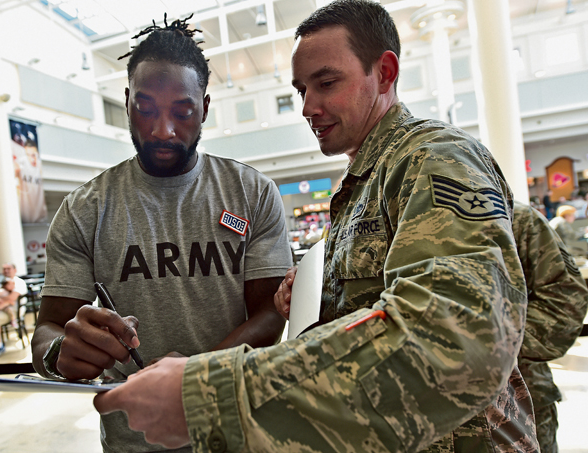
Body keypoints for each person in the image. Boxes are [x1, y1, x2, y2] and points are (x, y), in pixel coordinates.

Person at [93, 2, 536, 451]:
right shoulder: (366, 183)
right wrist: (313, 294)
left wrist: (208, 394)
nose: (308, 107)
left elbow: (457, 335)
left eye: (326, 83)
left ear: (384, 72)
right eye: (301, 89)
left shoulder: (434, 158)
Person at [31, 15, 292, 453]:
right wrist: (61, 353)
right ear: (128, 100)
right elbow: (47, 332)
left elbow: (270, 315)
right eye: (145, 109)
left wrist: (192, 376)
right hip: (134, 439)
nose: (162, 130)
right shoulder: (85, 209)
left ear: (205, 108)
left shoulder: (251, 193)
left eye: (182, 112)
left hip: (234, 429)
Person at [512, 201, 588, 452]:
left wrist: (485, 348)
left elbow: (567, 302)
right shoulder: (390, 220)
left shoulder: (513, 216)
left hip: (521, 401)